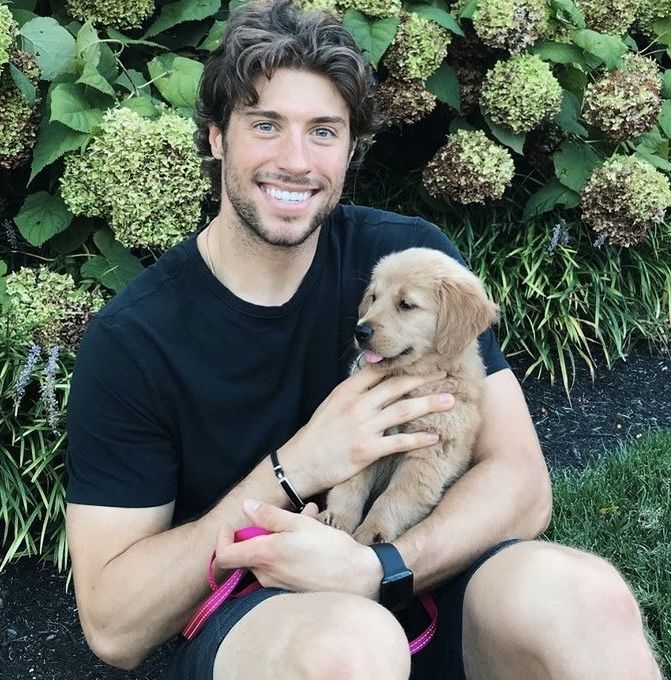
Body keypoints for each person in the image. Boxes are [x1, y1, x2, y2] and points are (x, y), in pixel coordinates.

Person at [65, 1, 661, 678]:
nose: (295, 160)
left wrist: (379, 568)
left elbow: (521, 484)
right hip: (269, 616)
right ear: (216, 137)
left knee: (586, 597)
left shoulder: (408, 258)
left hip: (420, 579)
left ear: (351, 149)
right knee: (348, 648)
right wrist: (296, 467)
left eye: (323, 131)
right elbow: (113, 625)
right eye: (265, 125)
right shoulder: (135, 340)